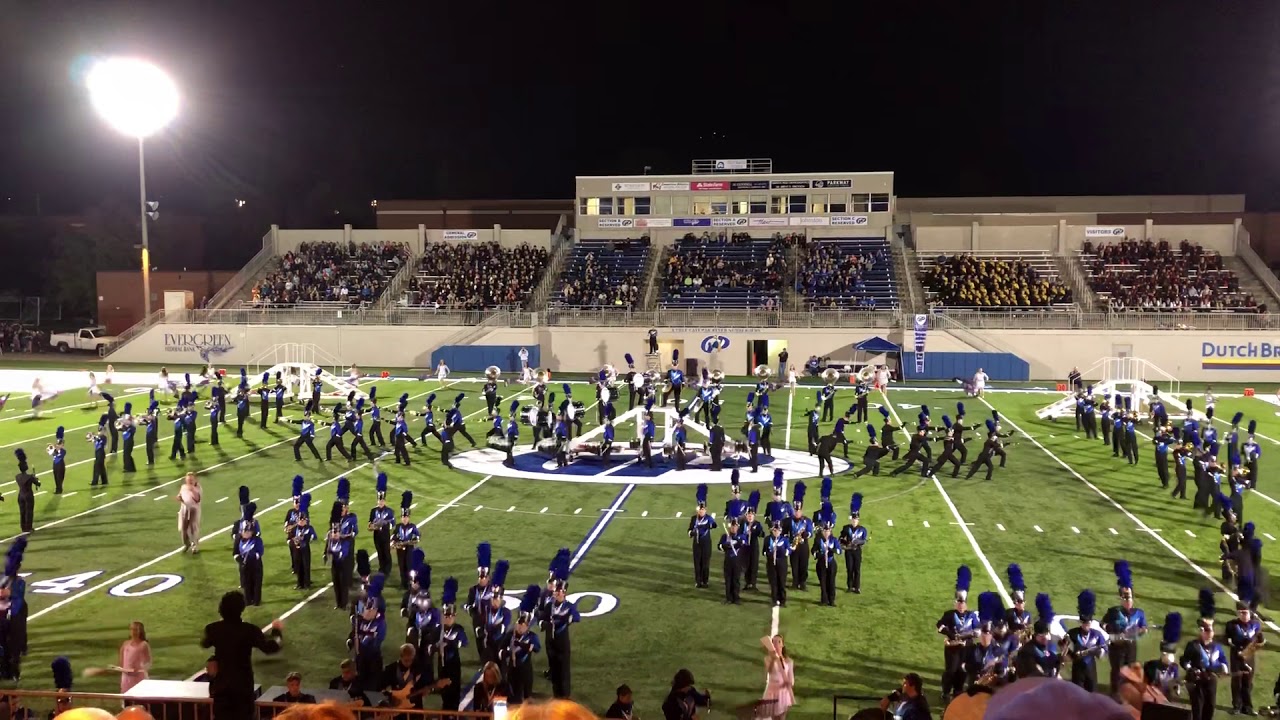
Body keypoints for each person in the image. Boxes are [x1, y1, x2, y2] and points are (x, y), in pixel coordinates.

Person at [199, 591, 284, 720]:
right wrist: (277, 631)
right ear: (241, 608)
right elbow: (271, 647)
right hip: (243, 689)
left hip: (221, 689)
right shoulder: (249, 630)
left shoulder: (213, 629)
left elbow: (205, 643)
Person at [1183, 590, 1229, 720]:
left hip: (1211, 682)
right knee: (1197, 710)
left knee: (1210, 708)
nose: (1210, 633)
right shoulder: (1193, 645)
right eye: (1207, 630)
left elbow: (1223, 660)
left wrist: (1224, 667)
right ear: (1201, 631)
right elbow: (1185, 661)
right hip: (1197, 682)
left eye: (1211, 630)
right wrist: (1190, 669)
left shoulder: (1217, 646)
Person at [687, 485, 716, 589]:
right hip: (697, 543)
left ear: (705, 510)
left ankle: (705, 581)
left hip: (706, 543)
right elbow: (689, 531)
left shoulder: (709, 518)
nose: (701, 511)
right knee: (697, 563)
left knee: (705, 563)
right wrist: (692, 533)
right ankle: (698, 581)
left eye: (703, 510)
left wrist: (709, 525)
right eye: (700, 509)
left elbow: (715, 525)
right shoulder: (694, 519)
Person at [761, 635, 794, 720]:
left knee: (782, 717)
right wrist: (773, 659)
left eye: (779, 641)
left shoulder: (788, 661)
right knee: (774, 717)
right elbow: (769, 671)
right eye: (774, 642)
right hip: (772, 692)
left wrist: (789, 683)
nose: (776, 644)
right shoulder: (767, 659)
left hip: (783, 692)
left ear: (782, 645)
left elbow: (791, 678)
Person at [839, 493, 867, 593]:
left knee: (857, 570)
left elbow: (864, 540)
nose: (854, 521)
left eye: (856, 519)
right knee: (849, 569)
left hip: (857, 551)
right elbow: (841, 538)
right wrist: (845, 543)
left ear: (858, 520)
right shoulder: (846, 528)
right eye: (853, 519)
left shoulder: (862, 529)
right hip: (849, 551)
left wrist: (857, 542)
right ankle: (850, 586)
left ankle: (857, 587)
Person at [118, 621, 152, 694]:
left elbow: (148, 662)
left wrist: (140, 669)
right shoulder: (125, 644)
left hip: (138, 677)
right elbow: (122, 661)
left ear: (140, 631)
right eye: (132, 629)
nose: (133, 632)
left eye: (136, 630)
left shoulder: (144, 645)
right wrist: (122, 669)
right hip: (126, 678)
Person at [175, 472, 202, 553]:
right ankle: (186, 544)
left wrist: (192, 490)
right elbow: (180, 496)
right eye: (188, 479)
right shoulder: (183, 487)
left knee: (193, 528)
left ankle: (195, 546)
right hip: (184, 509)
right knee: (183, 528)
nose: (189, 481)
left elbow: (197, 499)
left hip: (194, 509)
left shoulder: (197, 488)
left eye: (191, 480)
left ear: (194, 480)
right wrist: (179, 498)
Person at [12, 450, 36, 534]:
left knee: (22, 512)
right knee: (29, 511)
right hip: (28, 495)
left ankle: (23, 527)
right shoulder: (29, 477)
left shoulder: (17, 476)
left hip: (20, 496)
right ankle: (28, 527)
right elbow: (38, 483)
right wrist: (35, 478)